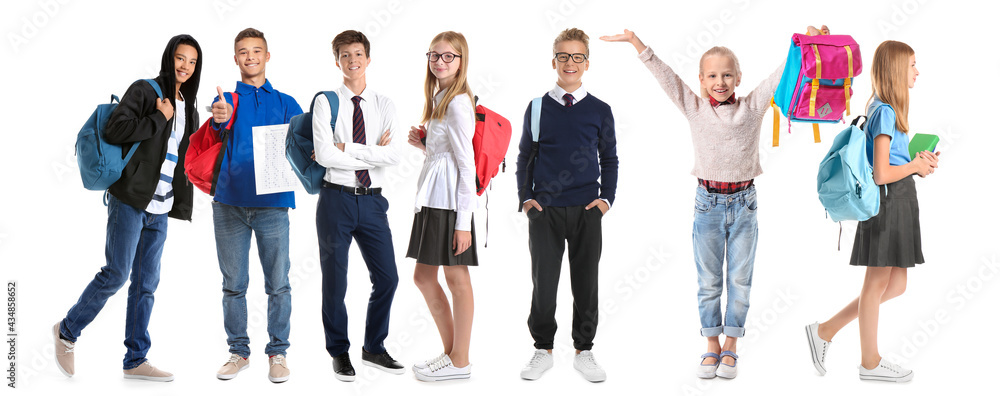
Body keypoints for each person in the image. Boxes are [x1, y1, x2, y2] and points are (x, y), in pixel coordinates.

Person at [600, 25, 826, 379]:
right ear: (702, 81)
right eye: (712, 76)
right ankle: (711, 344)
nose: (719, 81)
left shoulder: (752, 107)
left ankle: (732, 345)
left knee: (740, 279)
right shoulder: (694, 108)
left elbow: (782, 73)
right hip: (706, 204)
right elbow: (667, 77)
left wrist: (808, 43)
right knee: (708, 281)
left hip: (744, 204)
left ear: (737, 78)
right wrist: (636, 43)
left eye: (726, 75)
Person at [53, 34, 203, 382]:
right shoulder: (147, 91)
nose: (185, 66)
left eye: (192, 62)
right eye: (180, 58)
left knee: (146, 284)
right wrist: (158, 117)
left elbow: (189, 158)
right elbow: (115, 128)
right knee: (117, 274)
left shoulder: (189, 108)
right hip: (131, 201)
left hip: (161, 208)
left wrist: (220, 126)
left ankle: (135, 359)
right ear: (170, 58)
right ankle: (66, 332)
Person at [805, 40, 937, 383]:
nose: (917, 71)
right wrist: (914, 168)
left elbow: (894, 164)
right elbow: (882, 174)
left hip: (901, 201)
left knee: (895, 285)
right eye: (912, 65)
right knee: (877, 283)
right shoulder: (885, 112)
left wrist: (918, 163)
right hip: (889, 202)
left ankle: (825, 330)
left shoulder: (888, 110)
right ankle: (870, 361)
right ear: (896, 69)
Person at [515, 27, 617, 383]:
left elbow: (610, 159)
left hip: (587, 210)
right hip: (544, 211)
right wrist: (525, 199)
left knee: (586, 282)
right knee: (544, 282)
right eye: (563, 56)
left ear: (586, 63)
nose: (569, 63)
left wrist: (606, 200)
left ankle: (584, 350)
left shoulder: (600, 110)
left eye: (577, 57)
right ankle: (542, 348)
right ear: (553, 60)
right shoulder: (538, 107)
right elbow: (525, 156)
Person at [210, 27, 303, 383]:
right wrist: (219, 117)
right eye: (243, 52)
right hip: (229, 203)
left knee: (278, 283)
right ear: (236, 59)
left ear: (267, 56)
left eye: (256, 51)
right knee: (234, 284)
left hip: (273, 206)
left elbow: (306, 139)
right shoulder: (227, 101)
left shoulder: (285, 102)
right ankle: (238, 352)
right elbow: (214, 134)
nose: (250, 57)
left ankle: (278, 352)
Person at [312, 29, 403, 382]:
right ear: (338, 61)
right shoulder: (326, 102)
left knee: (388, 278)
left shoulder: (384, 104)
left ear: (368, 58)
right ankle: (339, 352)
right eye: (345, 55)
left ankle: (374, 348)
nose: (352, 61)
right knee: (335, 281)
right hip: (335, 200)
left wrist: (347, 148)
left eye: (358, 54)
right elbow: (323, 155)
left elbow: (394, 154)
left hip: (373, 203)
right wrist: (370, 153)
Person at [406, 31, 478, 382]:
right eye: (434, 55)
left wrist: (464, 222)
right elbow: (446, 155)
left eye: (449, 56)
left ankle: (459, 360)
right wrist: (425, 144)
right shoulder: (439, 96)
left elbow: (468, 166)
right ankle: (453, 356)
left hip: (450, 204)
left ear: (461, 61)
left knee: (456, 278)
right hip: (434, 200)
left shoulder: (459, 102)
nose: (440, 61)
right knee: (423, 276)